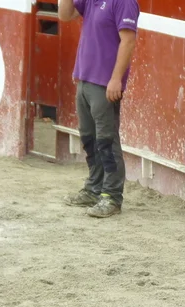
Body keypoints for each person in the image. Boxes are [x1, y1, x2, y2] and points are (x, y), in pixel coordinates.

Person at [57, 0, 139, 218]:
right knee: (89, 138)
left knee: (106, 140)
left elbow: (128, 40)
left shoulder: (124, 2)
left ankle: (111, 196)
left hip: (104, 83)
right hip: (85, 77)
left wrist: (116, 79)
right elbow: (65, 15)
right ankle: (94, 189)